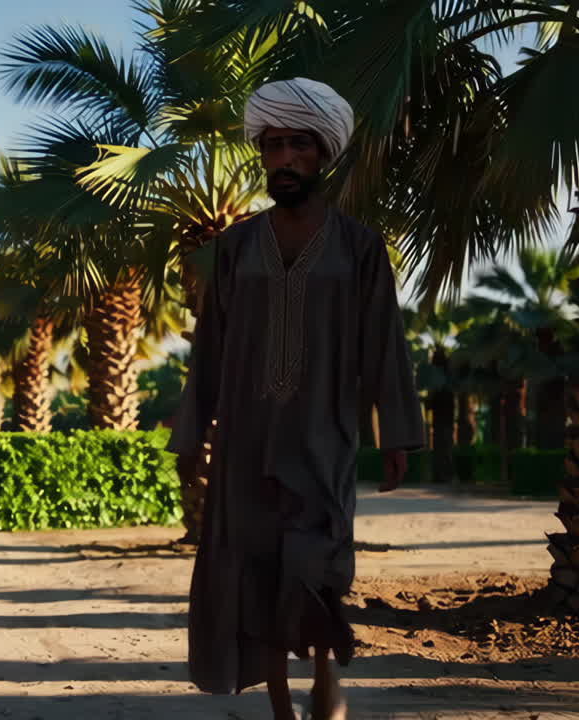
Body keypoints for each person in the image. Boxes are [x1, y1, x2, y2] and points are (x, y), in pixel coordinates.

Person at [168, 77, 425, 720]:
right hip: (245, 444)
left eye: (299, 145)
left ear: (322, 154)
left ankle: (324, 678)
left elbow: (383, 346)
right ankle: (282, 701)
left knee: (317, 564)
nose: (284, 159)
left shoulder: (360, 248)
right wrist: (191, 434)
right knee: (253, 573)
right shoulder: (232, 249)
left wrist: (395, 431)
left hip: (324, 437)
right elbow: (210, 350)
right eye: (274, 145)